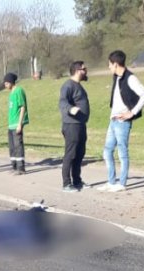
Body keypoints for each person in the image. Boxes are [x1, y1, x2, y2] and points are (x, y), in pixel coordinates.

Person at [98, 50, 144, 192]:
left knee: (122, 152)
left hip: (122, 122)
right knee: (107, 151)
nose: (108, 67)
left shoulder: (130, 78)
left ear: (115, 64)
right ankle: (111, 181)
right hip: (113, 119)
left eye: (109, 64)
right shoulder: (116, 76)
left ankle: (121, 184)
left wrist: (132, 113)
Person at [58, 61, 90, 193]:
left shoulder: (78, 85)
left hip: (81, 124)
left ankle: (77, 181)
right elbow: (62, 101)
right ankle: (66, 183)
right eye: (84, 69)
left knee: (79, 153)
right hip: (71, 125)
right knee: (70, 154)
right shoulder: (68, 85)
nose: (86, 71)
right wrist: (70, 109)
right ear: (77, 70)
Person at [3, 72, 29, 175]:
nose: (5, 85)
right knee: (12, 146)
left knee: (18, 145)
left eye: (6, 83)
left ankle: (21, 168)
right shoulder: (11, 93)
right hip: (11, 124)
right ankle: (14, 166)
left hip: (17, 124)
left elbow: (23, 107)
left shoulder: (19, 91)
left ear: (11, 82)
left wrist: (20, 123)